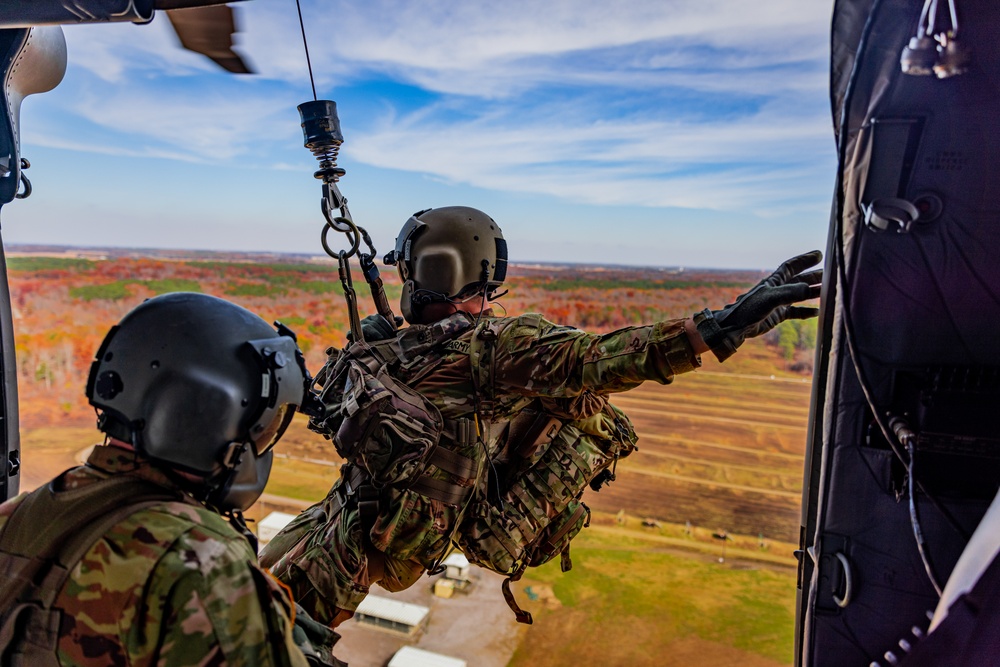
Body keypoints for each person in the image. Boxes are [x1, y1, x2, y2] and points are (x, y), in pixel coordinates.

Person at [260, 206, 822, 630]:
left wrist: (716, 329)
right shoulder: (416, 348)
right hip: (344, 509)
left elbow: (599, 359)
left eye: (408, 272)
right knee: (248, 581)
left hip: (370, 543)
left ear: (431, 271)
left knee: (259, 632)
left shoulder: (497, 351)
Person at [0, 293, 339, 666]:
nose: (261, 449)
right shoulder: (203, 563)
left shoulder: (14, 518)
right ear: (207, 414)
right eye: (264, 430)